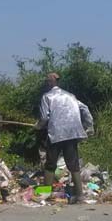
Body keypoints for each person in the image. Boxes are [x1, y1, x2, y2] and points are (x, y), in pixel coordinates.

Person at [35, 73, 93, 203]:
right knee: (73, 164)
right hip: (72, 134)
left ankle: (46, 194)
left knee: (50, 164)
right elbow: (85, 108)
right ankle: (79, 195)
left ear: (49, 83)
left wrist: (38, 126)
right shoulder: (70, 96)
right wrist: (89, 126)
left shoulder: (47, 97)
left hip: (56, 134)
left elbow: (44, 118)